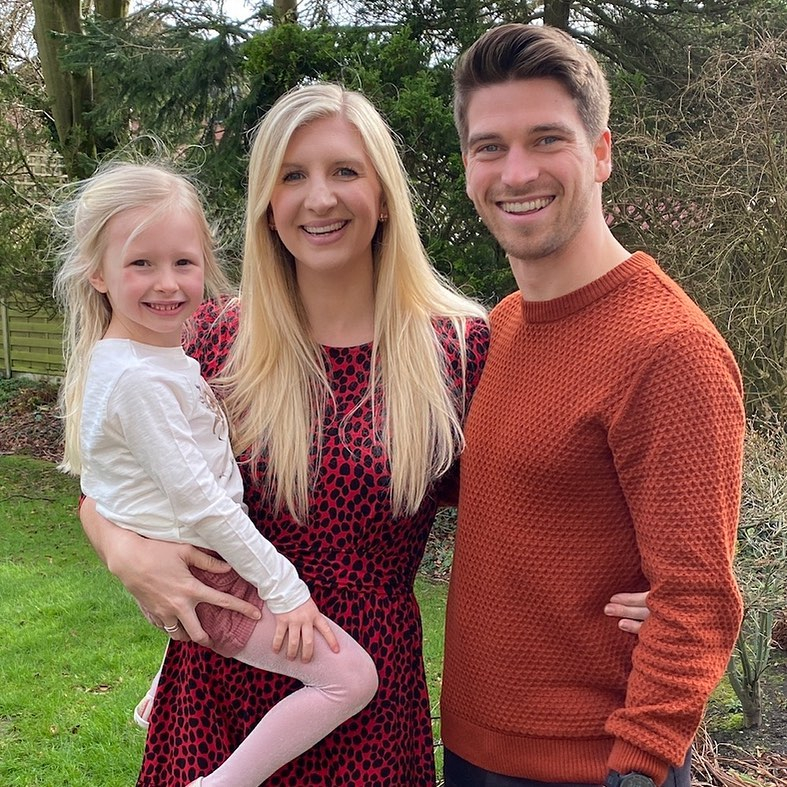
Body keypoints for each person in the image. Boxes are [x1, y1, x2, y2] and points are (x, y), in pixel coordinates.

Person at [77, 86, 648, 786]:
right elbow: (114, 477)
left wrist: (654, 581)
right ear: (267, 203)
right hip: (221, 701)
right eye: (292, 175)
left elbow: (541, 488)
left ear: (382, 195)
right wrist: (123, 549)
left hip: (365, 704)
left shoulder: (459, 349)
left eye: (344, 171)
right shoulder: (212, 336)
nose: (319, 198)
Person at [440, 23, 745, 787]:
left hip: (592, 765)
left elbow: (697, 599)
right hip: (475, 750)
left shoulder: (667, 347)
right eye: (489, 147)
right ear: (467, 164)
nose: (516, 172)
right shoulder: (502, 328)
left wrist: (639, 765)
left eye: (546, 139)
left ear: (601, 152)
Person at [54, 160, 378, 787]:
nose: (168, 283)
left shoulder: (153, 355)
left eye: (183, 262)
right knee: (351, 679)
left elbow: (132, 488)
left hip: (212, 570)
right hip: (223, 575)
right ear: (97, 272)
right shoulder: (140, 377)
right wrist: (288, 592)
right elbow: (199, 506)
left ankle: (166, 674)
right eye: (140, 263)